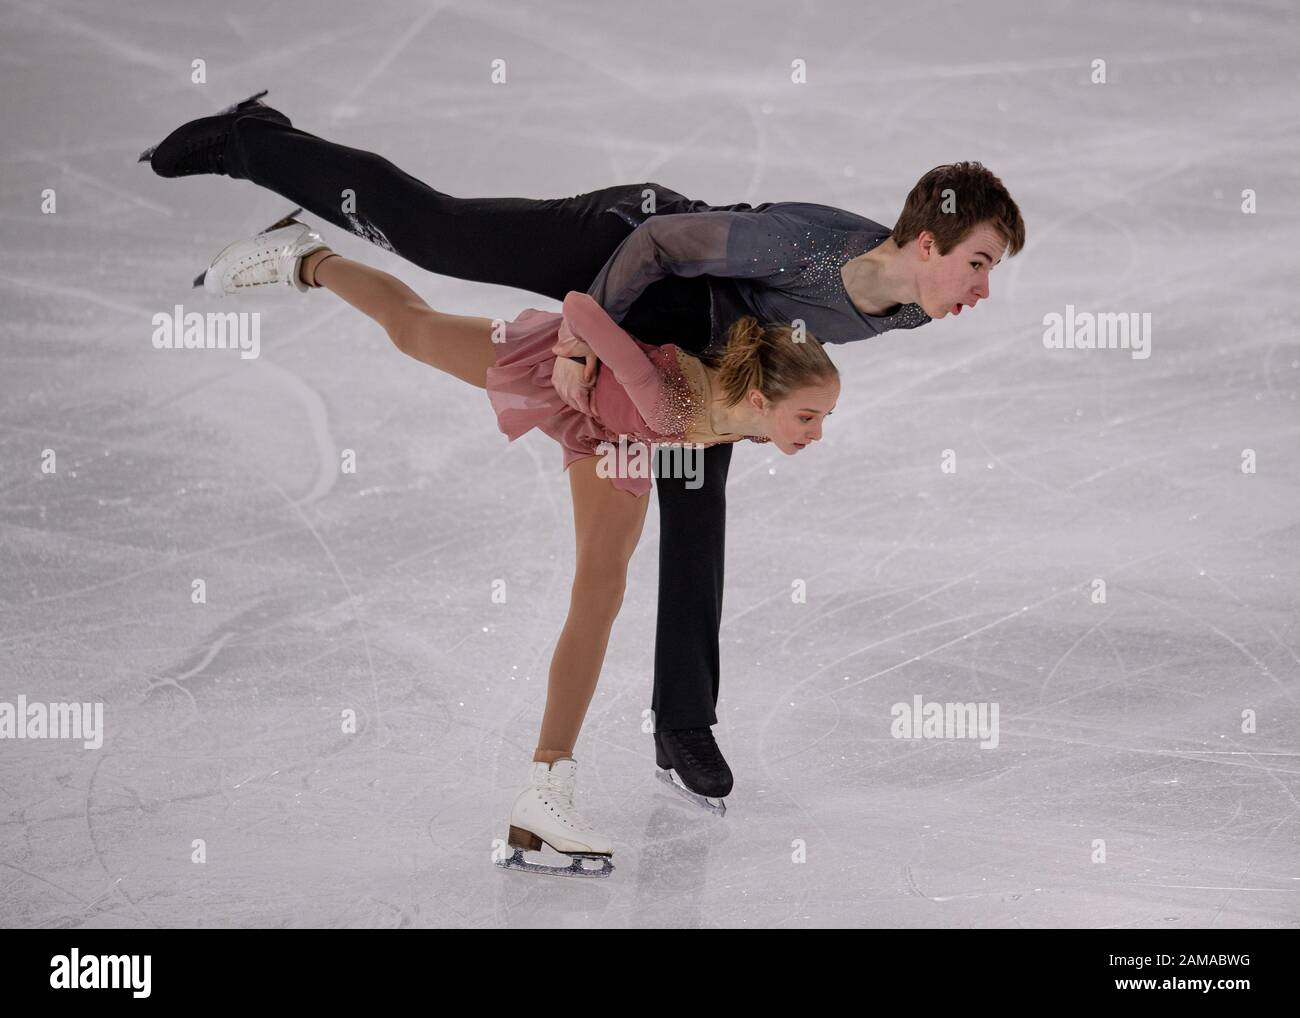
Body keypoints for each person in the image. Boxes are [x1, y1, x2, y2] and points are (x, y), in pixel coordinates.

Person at [140, 90, 1026, 816]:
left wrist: (738, 405)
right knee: (442, 235)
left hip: (690, 351)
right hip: (624, 254)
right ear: (924, 242)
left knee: (697, 500)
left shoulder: (911, 306)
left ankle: (682, 724)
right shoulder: (803, 244)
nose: (983, 289)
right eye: (979, 263)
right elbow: (660, 244)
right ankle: (257, 144)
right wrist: (578, 344)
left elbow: (769, 342)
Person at [196, 215, 840, 875]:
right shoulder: (679, 405)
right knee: (415, 328)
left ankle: (544, 792)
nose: (817, 433)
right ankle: (305, 257)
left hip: (613, 441)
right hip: (552, 378)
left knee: (601, 590)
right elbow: (585, 310)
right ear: (762, 400)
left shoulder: (746, 419)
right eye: (809, 418)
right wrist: (571, 354)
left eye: (824, 418)